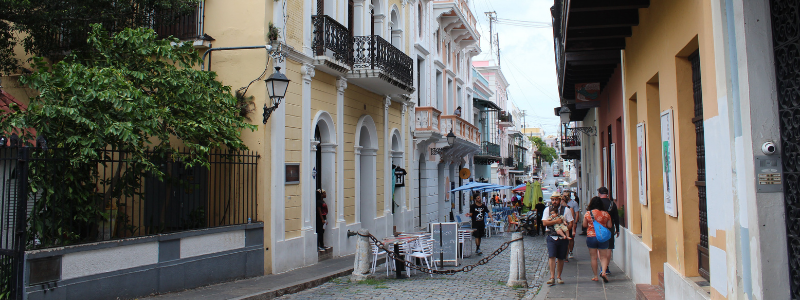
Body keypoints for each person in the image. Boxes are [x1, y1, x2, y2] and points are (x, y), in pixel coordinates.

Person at [542, 194, 574, 285]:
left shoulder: (566, 210)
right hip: (551, 236)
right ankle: (552, 277)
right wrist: (556, 222)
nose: (554, 202)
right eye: (553, 200)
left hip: (562, 237)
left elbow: (571, 222)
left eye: (556, 200)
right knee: (551, 256)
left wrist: (566, 228)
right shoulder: (547, 210)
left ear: (560, 200)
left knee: (561, 257)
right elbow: (544, 222)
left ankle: (559, 276)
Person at [583, 196, 613, 283]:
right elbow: (610, 225)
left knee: (593, 257)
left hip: (591, 237)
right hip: (602, 237)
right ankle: (603, 272)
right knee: (603, 257)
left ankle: (595, 276)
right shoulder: (606, 214)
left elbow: (584, 225)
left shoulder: (588, 213)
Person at [597, 187, 620, 275]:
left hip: (599, 228)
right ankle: (606, 268)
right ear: (607, 194)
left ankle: (603, 267)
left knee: (600, 248)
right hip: (610, 228)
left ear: (599, 193)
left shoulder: (597, 204)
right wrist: (617, 229)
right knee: (609, 248)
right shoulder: (612, 204)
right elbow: (616, 217)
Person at [565, 192, 580, 258]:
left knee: (571, 238)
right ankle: (565, 252)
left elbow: (577, 213)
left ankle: (570, 251)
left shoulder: (574, 203)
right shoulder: (562, 203)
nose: (564, 197)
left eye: (566, 195)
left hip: (571, 222)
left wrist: (575, 222)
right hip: (564, 223)